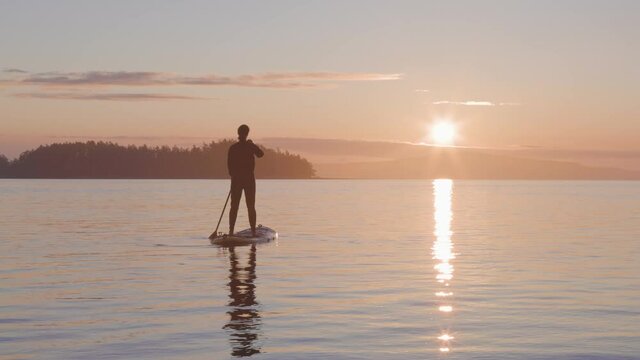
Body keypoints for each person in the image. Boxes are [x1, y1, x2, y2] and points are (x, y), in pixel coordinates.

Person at [227, 124, 264, 236]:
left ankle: (231, 231)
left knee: (234, 206)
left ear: (238, 133)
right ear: (247, 133)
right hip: (248, 179)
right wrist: (252, 144)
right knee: (250, 206)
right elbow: (261, 154)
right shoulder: (249, 146)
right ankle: (253, 231)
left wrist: (234, 176)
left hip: (237, 180)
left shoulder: (233, 148)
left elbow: (229, 168)